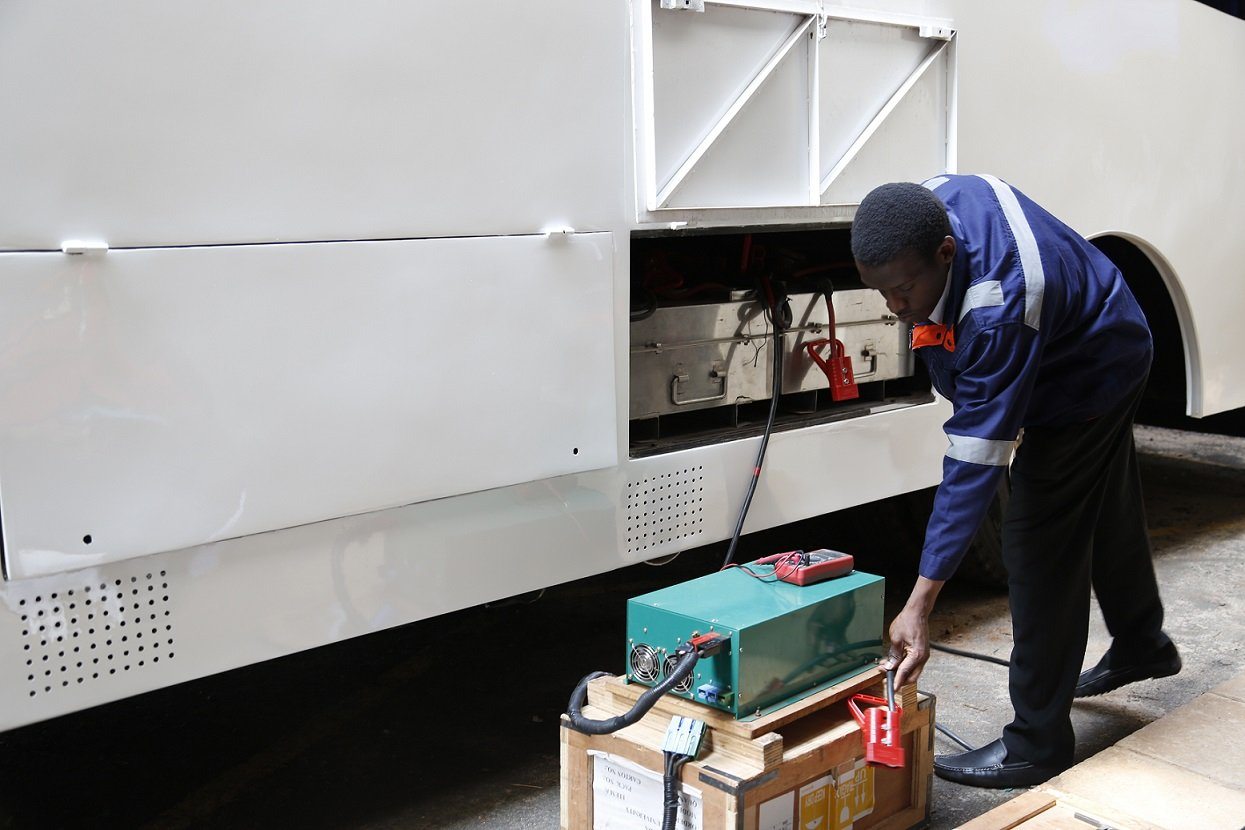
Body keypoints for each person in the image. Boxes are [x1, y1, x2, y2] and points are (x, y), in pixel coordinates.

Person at [850, 175, 1181, 789]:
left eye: (903, 289)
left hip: (1092, 372)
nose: (894, 307)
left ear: (946, 254)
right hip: (1092, 330)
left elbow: (975, 464)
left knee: (1035, 545)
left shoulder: (1000, 307)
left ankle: (1035, 742)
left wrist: (920, 602)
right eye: (881, 291)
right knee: (1103, 501)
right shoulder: (926, 210)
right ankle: (1142, 644)